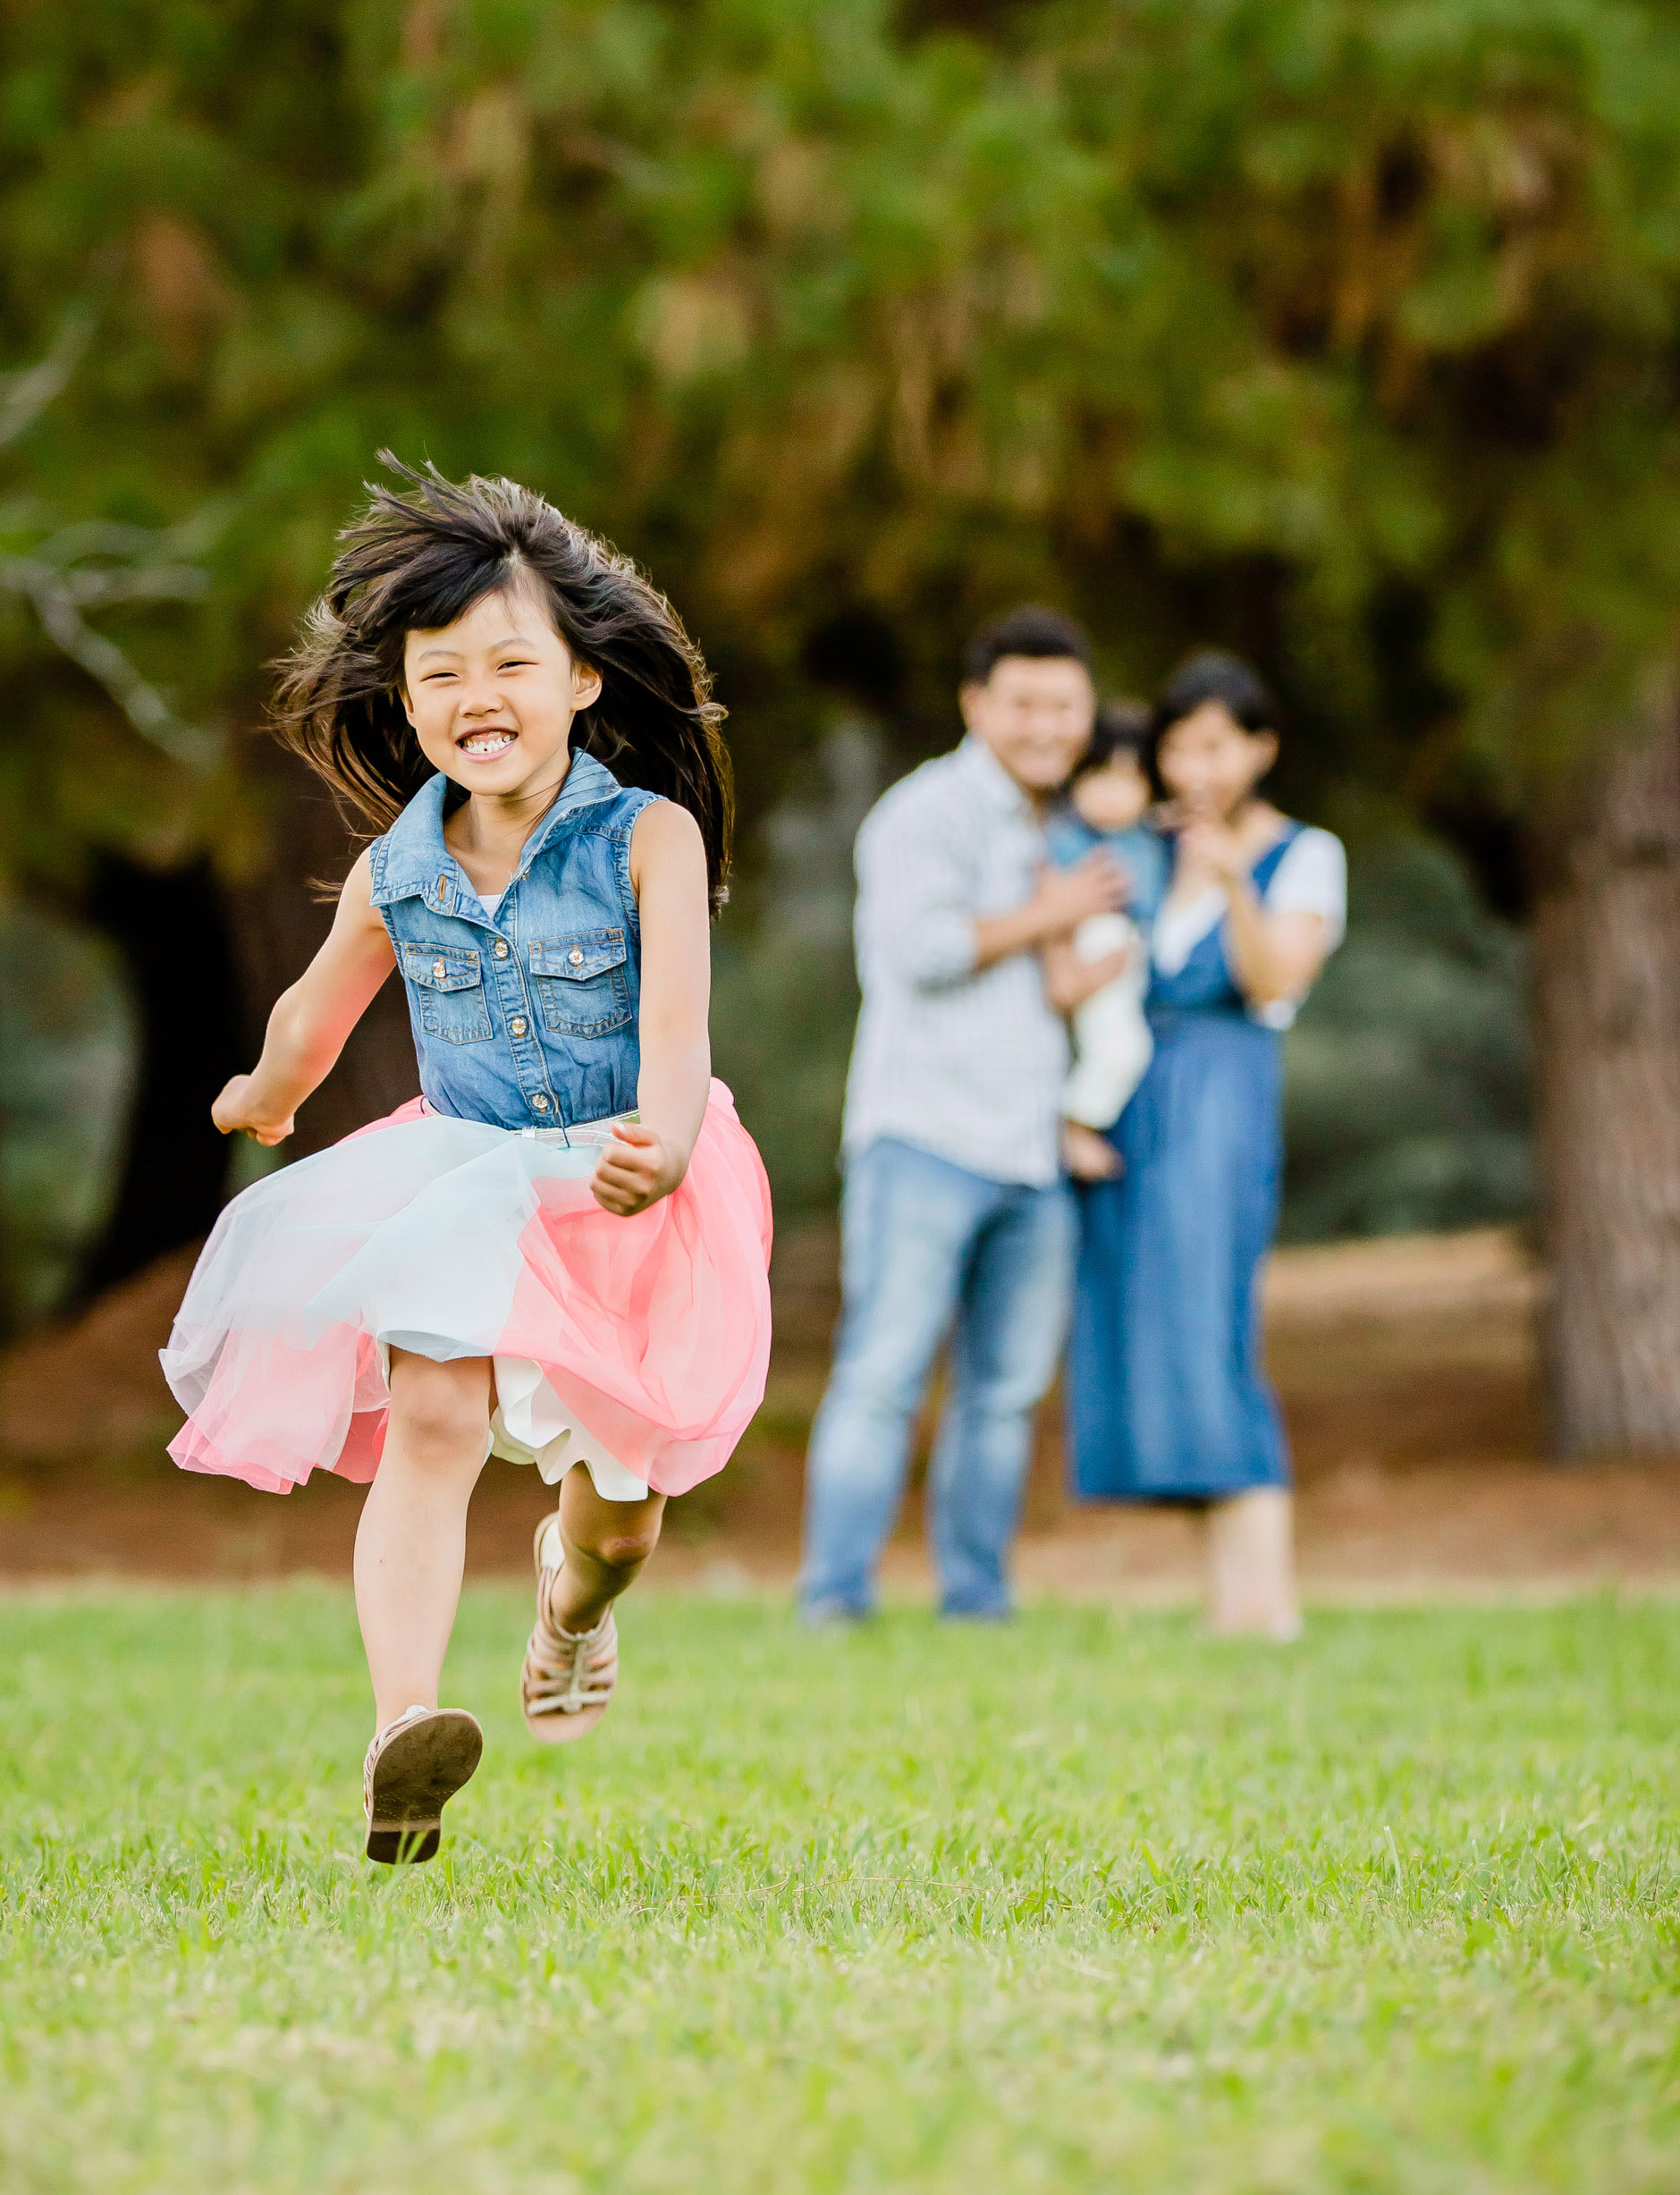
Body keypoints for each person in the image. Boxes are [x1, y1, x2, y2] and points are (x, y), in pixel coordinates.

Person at [160, 464, 772, 1863]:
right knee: (429, 1426)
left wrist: (665, 1143)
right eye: (441, 674)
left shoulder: (645, 838)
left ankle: (571, 1603)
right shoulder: (397, 866)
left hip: (625, 1187)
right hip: (466, 1185)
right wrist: (265, 1090)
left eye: (510, 662)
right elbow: (314, 1013)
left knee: (620, 1515)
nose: (474, 694)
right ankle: (404, 1728)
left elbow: (676, 1025)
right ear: (408, 700)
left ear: (581, 684)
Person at [797, 608, 1129, 1624]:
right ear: (976, 704)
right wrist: (1056, 914)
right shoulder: (924, 813)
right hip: (924, 1137)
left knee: (1006, 1395)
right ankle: (833, 1600)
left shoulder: (1052, 827)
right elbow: (926, 951)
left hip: (1029, 1149)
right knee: (883, 1375)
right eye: (1023, 704)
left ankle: (976, 1600)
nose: (1045, 726)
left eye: (1064, 707)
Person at [1068, 652, 1345, 1638]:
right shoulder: (1136, 846)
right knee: (1144, 1335)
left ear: (1261, 749)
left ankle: (1268, 1602)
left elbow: (1274, 981)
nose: (1194, 767)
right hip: (1130, 1106)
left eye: (1216, 745)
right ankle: (1226, 1600)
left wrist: (1231, 879)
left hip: (1220, 1104)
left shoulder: (1303, 853)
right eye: (1178, 745)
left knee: (1211, 1327)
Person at [1045, 700, 1170, 1186]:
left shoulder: (1147, 835)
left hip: (1128, 952)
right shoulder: (1069, 841)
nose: (1111, 796)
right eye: (1097, 778)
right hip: (1098, 944)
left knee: (1120, 1045)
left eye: (1128, 781)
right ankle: (1075, 1125)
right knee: (1122, 1049)